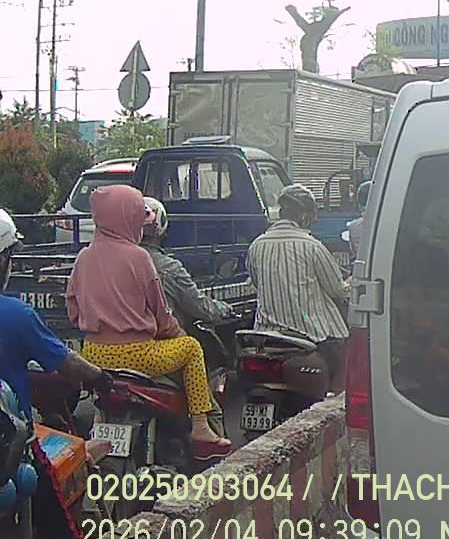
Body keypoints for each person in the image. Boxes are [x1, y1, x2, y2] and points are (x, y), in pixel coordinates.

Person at [64, 185, 231, 457]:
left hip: (93, 355)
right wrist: (177, 334)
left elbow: (73, 309)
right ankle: (201, 426)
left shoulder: (84, 257)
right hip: (138, 356)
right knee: (192, 348)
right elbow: (161, 314)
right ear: (126, 219)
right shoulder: (139, 257)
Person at [0, 208, 112, 539]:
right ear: (4, 260)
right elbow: (66, 363)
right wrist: (100, 379)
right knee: (62, 535)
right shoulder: (16, 315)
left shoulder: (88, 258)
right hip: (9, 447)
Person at [248, 184, 350, 392]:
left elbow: (257, 283)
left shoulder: (257, 245)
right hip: (309, 333)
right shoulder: (312, 246)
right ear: (303, 215)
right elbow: (337, 291)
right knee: (346, 364)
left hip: (265, 334)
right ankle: (335, 398)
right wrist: (353, 283)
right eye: (312, 215)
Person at [139, 197, 235, 331]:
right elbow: (199, 307)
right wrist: (223, 309)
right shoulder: (169, 268)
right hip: (159, 337)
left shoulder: (114, 260)